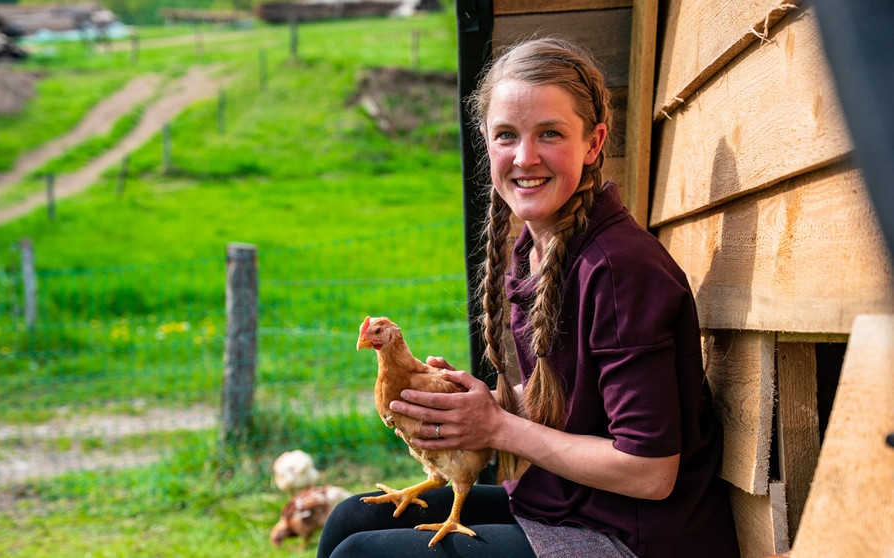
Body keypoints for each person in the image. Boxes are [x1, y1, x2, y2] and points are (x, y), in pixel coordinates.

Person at [317, 36, 740, 558]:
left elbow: (649, 471)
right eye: (506, 135)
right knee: (349, 519)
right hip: (571, 506)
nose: (525, 156)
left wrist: (497, 425)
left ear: (593, 142)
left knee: (361, 555)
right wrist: (479, 403)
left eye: (550, 133)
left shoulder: (619, 270)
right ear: (485, 142)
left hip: (635, 537)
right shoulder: (537, 251)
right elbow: (584, 408)